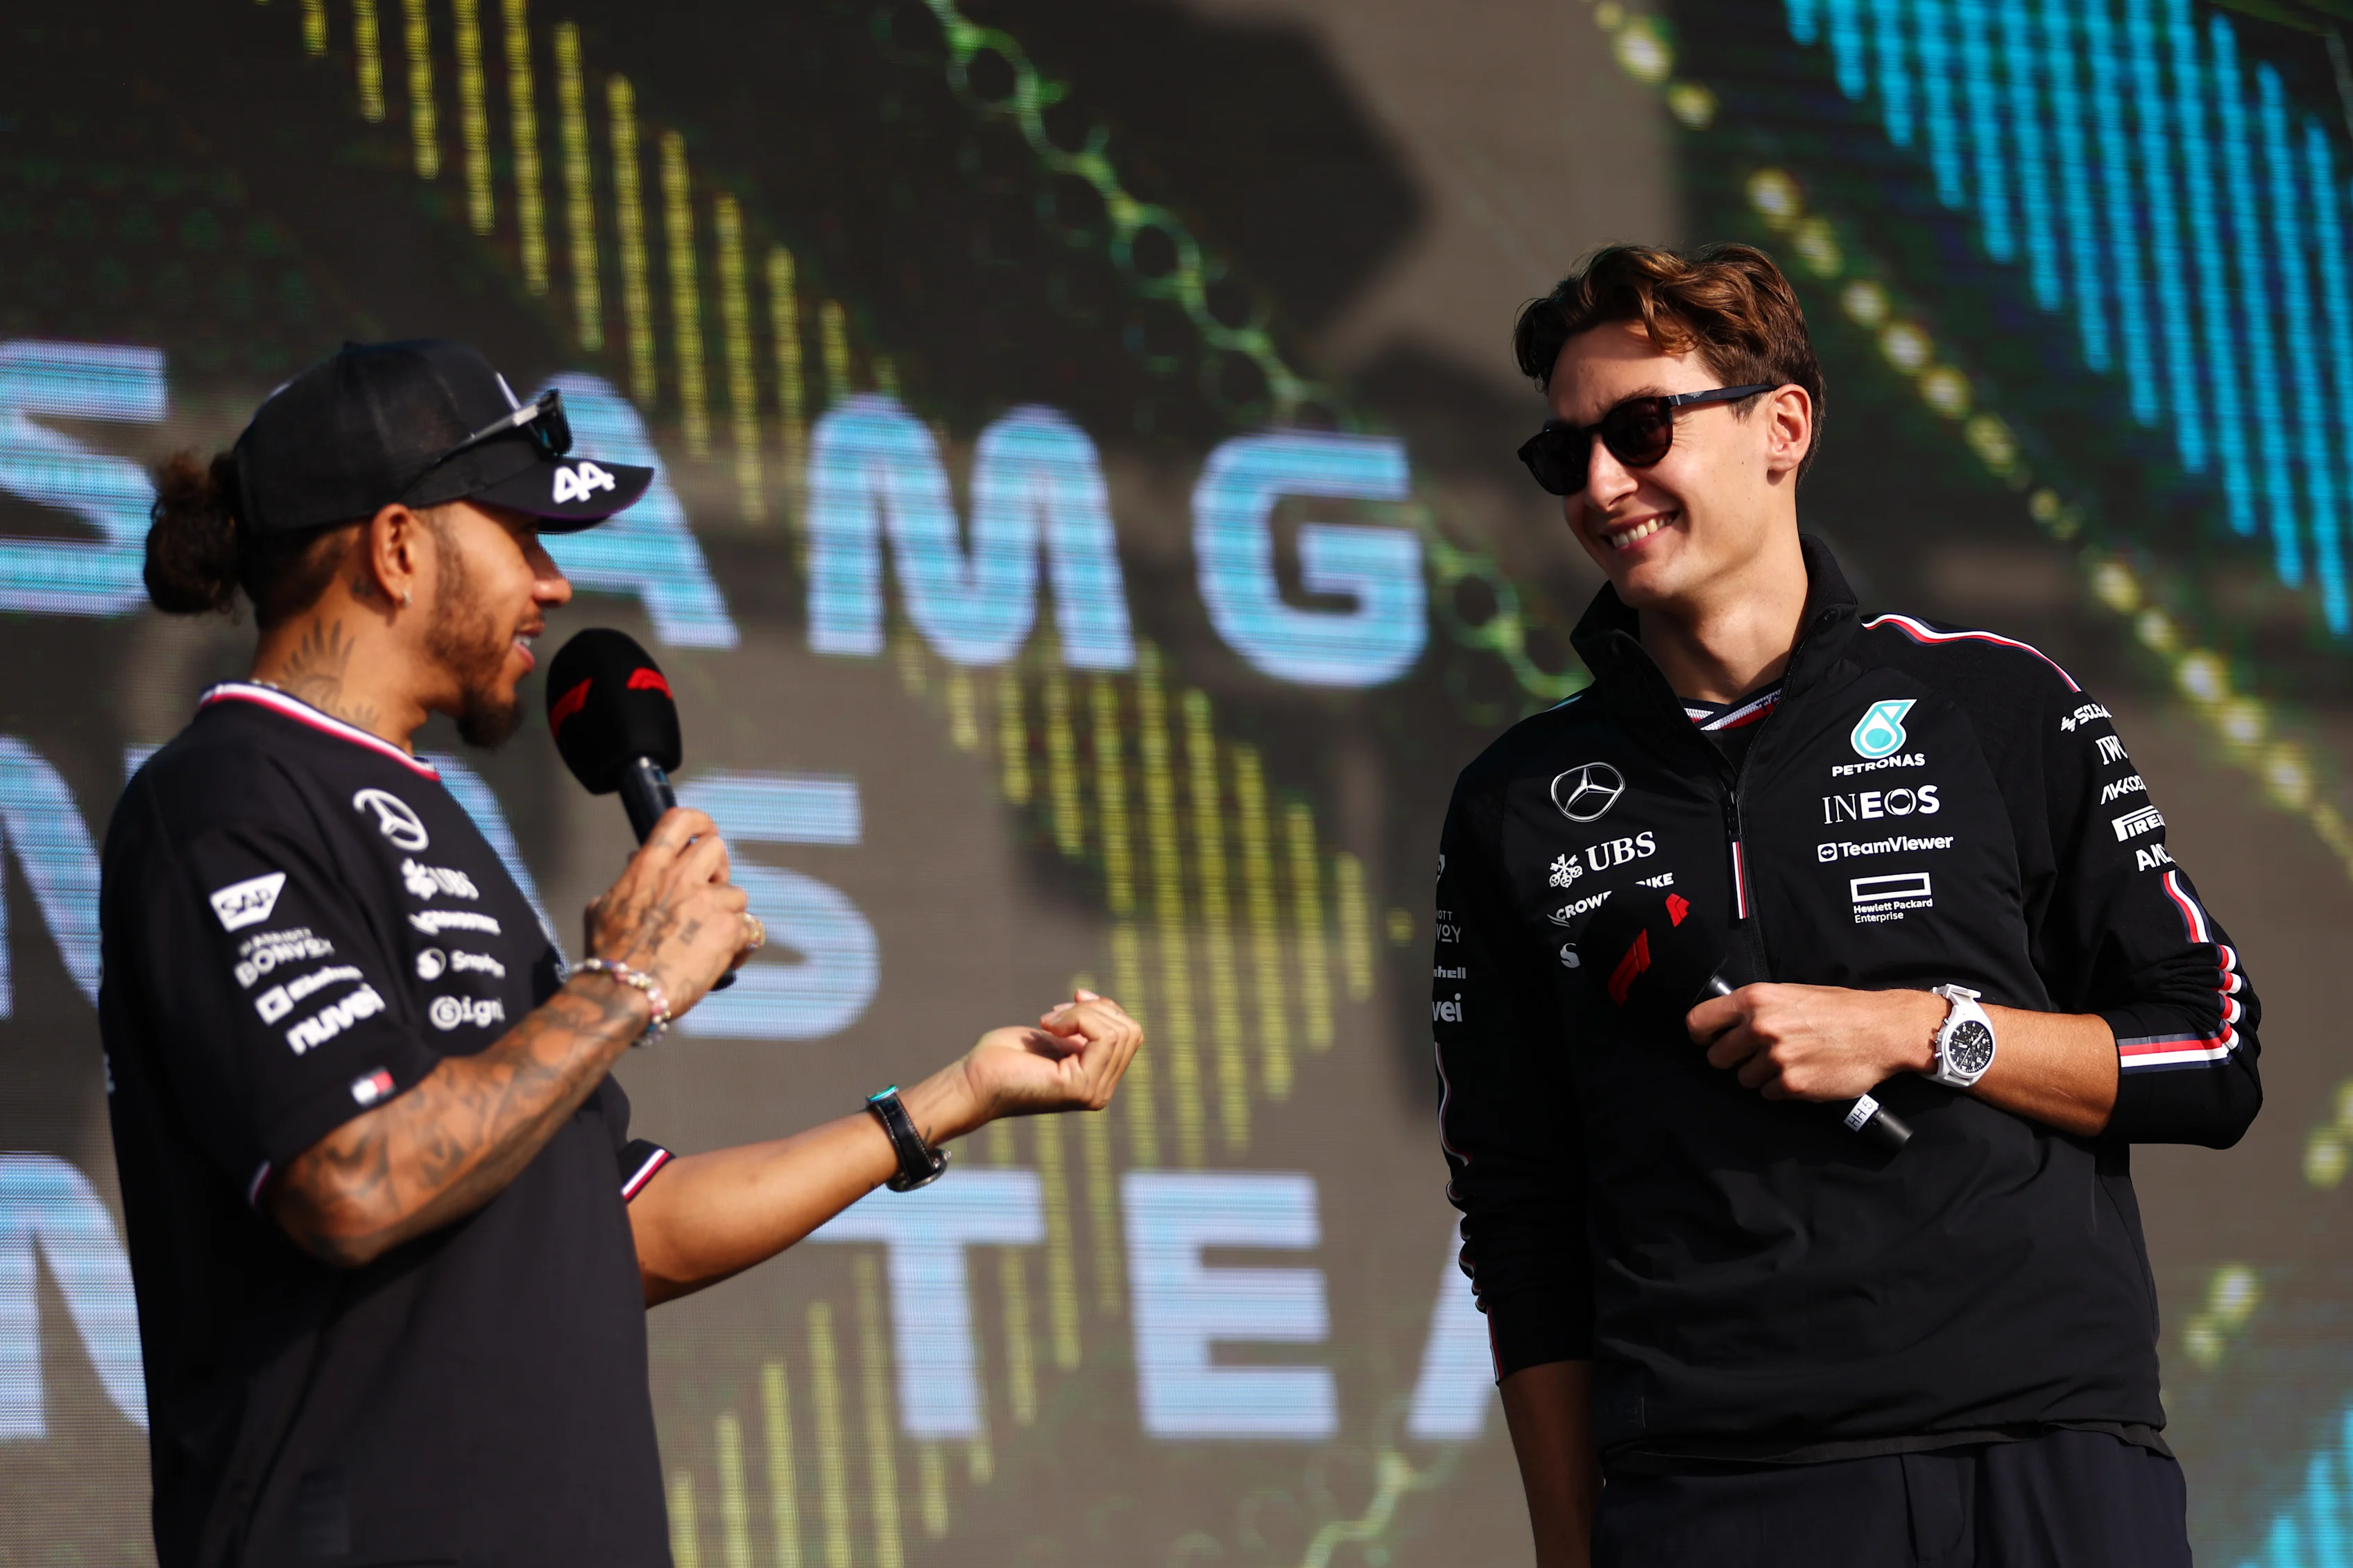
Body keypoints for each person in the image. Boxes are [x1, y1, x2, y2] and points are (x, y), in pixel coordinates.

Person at [101, 339, 1144, 1567]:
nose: (551, 583)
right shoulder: (223, 797)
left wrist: (949, 1102)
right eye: (521, 536)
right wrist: (624, 986)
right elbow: (354, 1177)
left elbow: (617, 1227)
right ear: (396, 549)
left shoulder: (435, 817)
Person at [1432, 244, 2259, 1567]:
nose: (1599, 484)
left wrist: (1927, 1029)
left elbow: (2212, 1054)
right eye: (1563, 453)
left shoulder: (1999, 704)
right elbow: (1516, 1214)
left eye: (1642, 429)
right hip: (1714, 1490)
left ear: (1785, 425)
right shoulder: (1518, 801)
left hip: (2042, 1461)